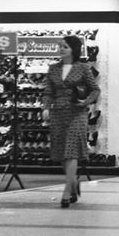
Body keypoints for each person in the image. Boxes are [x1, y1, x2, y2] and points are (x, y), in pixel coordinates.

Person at [42, 35, 99, 208]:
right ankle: (73, 182)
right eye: (60, 46)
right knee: (61, 152)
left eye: (64, 46)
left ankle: (66, 191)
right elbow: (48, 91)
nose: (61, 49)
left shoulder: (82, 68)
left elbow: (95, 90)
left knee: (71, 151)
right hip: (58, 113)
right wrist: (45, 107)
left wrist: (86, 102)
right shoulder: (53, 69)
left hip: (77, 113)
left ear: (73, 49)